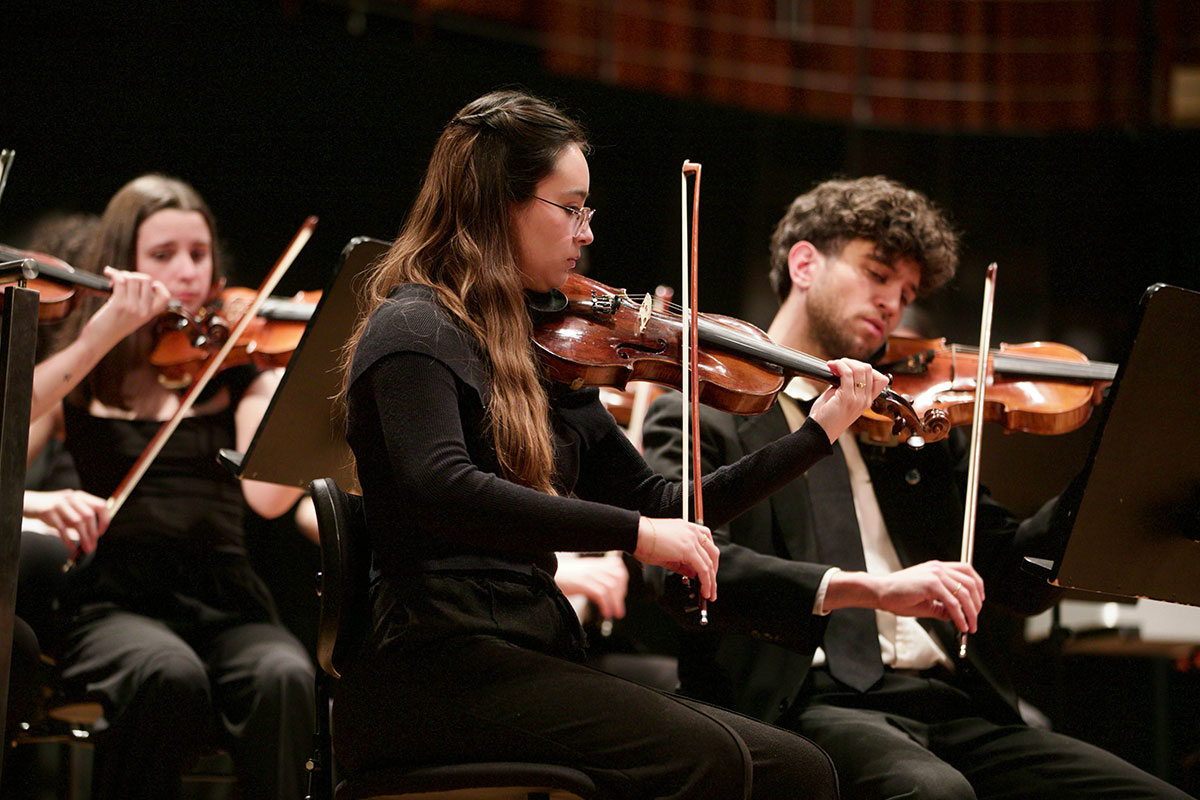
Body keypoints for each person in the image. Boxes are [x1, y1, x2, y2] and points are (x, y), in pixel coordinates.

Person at [331, 89, 895, 799]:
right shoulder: (413, 328)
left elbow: (665, 500)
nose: (587, 233)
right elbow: (445, 490)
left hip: (525, 649)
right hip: (432, 668)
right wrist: (637, 536)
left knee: (799, 770)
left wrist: (818, 432)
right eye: (571, 209)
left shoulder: (543, 352)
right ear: (498, 203)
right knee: (716, 762)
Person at [641, 175, 1193, 799]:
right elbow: (678, 571)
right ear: (804, 264)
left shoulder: (913, 425)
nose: (891, 305)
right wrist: (873, 590)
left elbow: (1011, 574)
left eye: (905, 293)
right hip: (804, 703)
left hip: (953, 701)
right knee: (932, 794)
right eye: (877, 274)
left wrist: (1107, 472)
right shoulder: (701, 413)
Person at [25, 174, 315, 800]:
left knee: (285, 674)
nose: (187, 271)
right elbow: (7, 439)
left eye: (198, 253)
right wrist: (102, 333)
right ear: (122, 262)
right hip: (112, 602)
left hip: (226, 599)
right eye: (163, 254)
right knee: (166, 673)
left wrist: (300, 388)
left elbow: (267, 499)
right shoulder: (83, 374)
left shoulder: (240, 369)